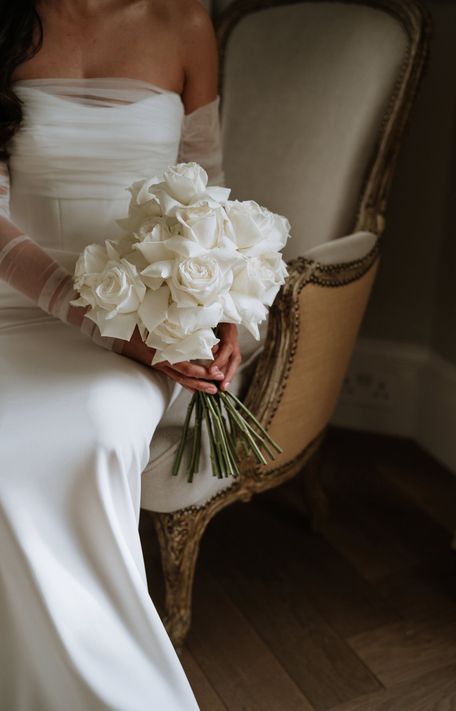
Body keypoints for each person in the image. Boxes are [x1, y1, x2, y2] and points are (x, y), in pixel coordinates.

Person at [0, 1, 241, 708]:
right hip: (22, 308)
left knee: (94, 437)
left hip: (150, 324)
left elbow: (207, 183)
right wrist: (97, 320)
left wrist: (221, 302)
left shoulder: (183, 22)